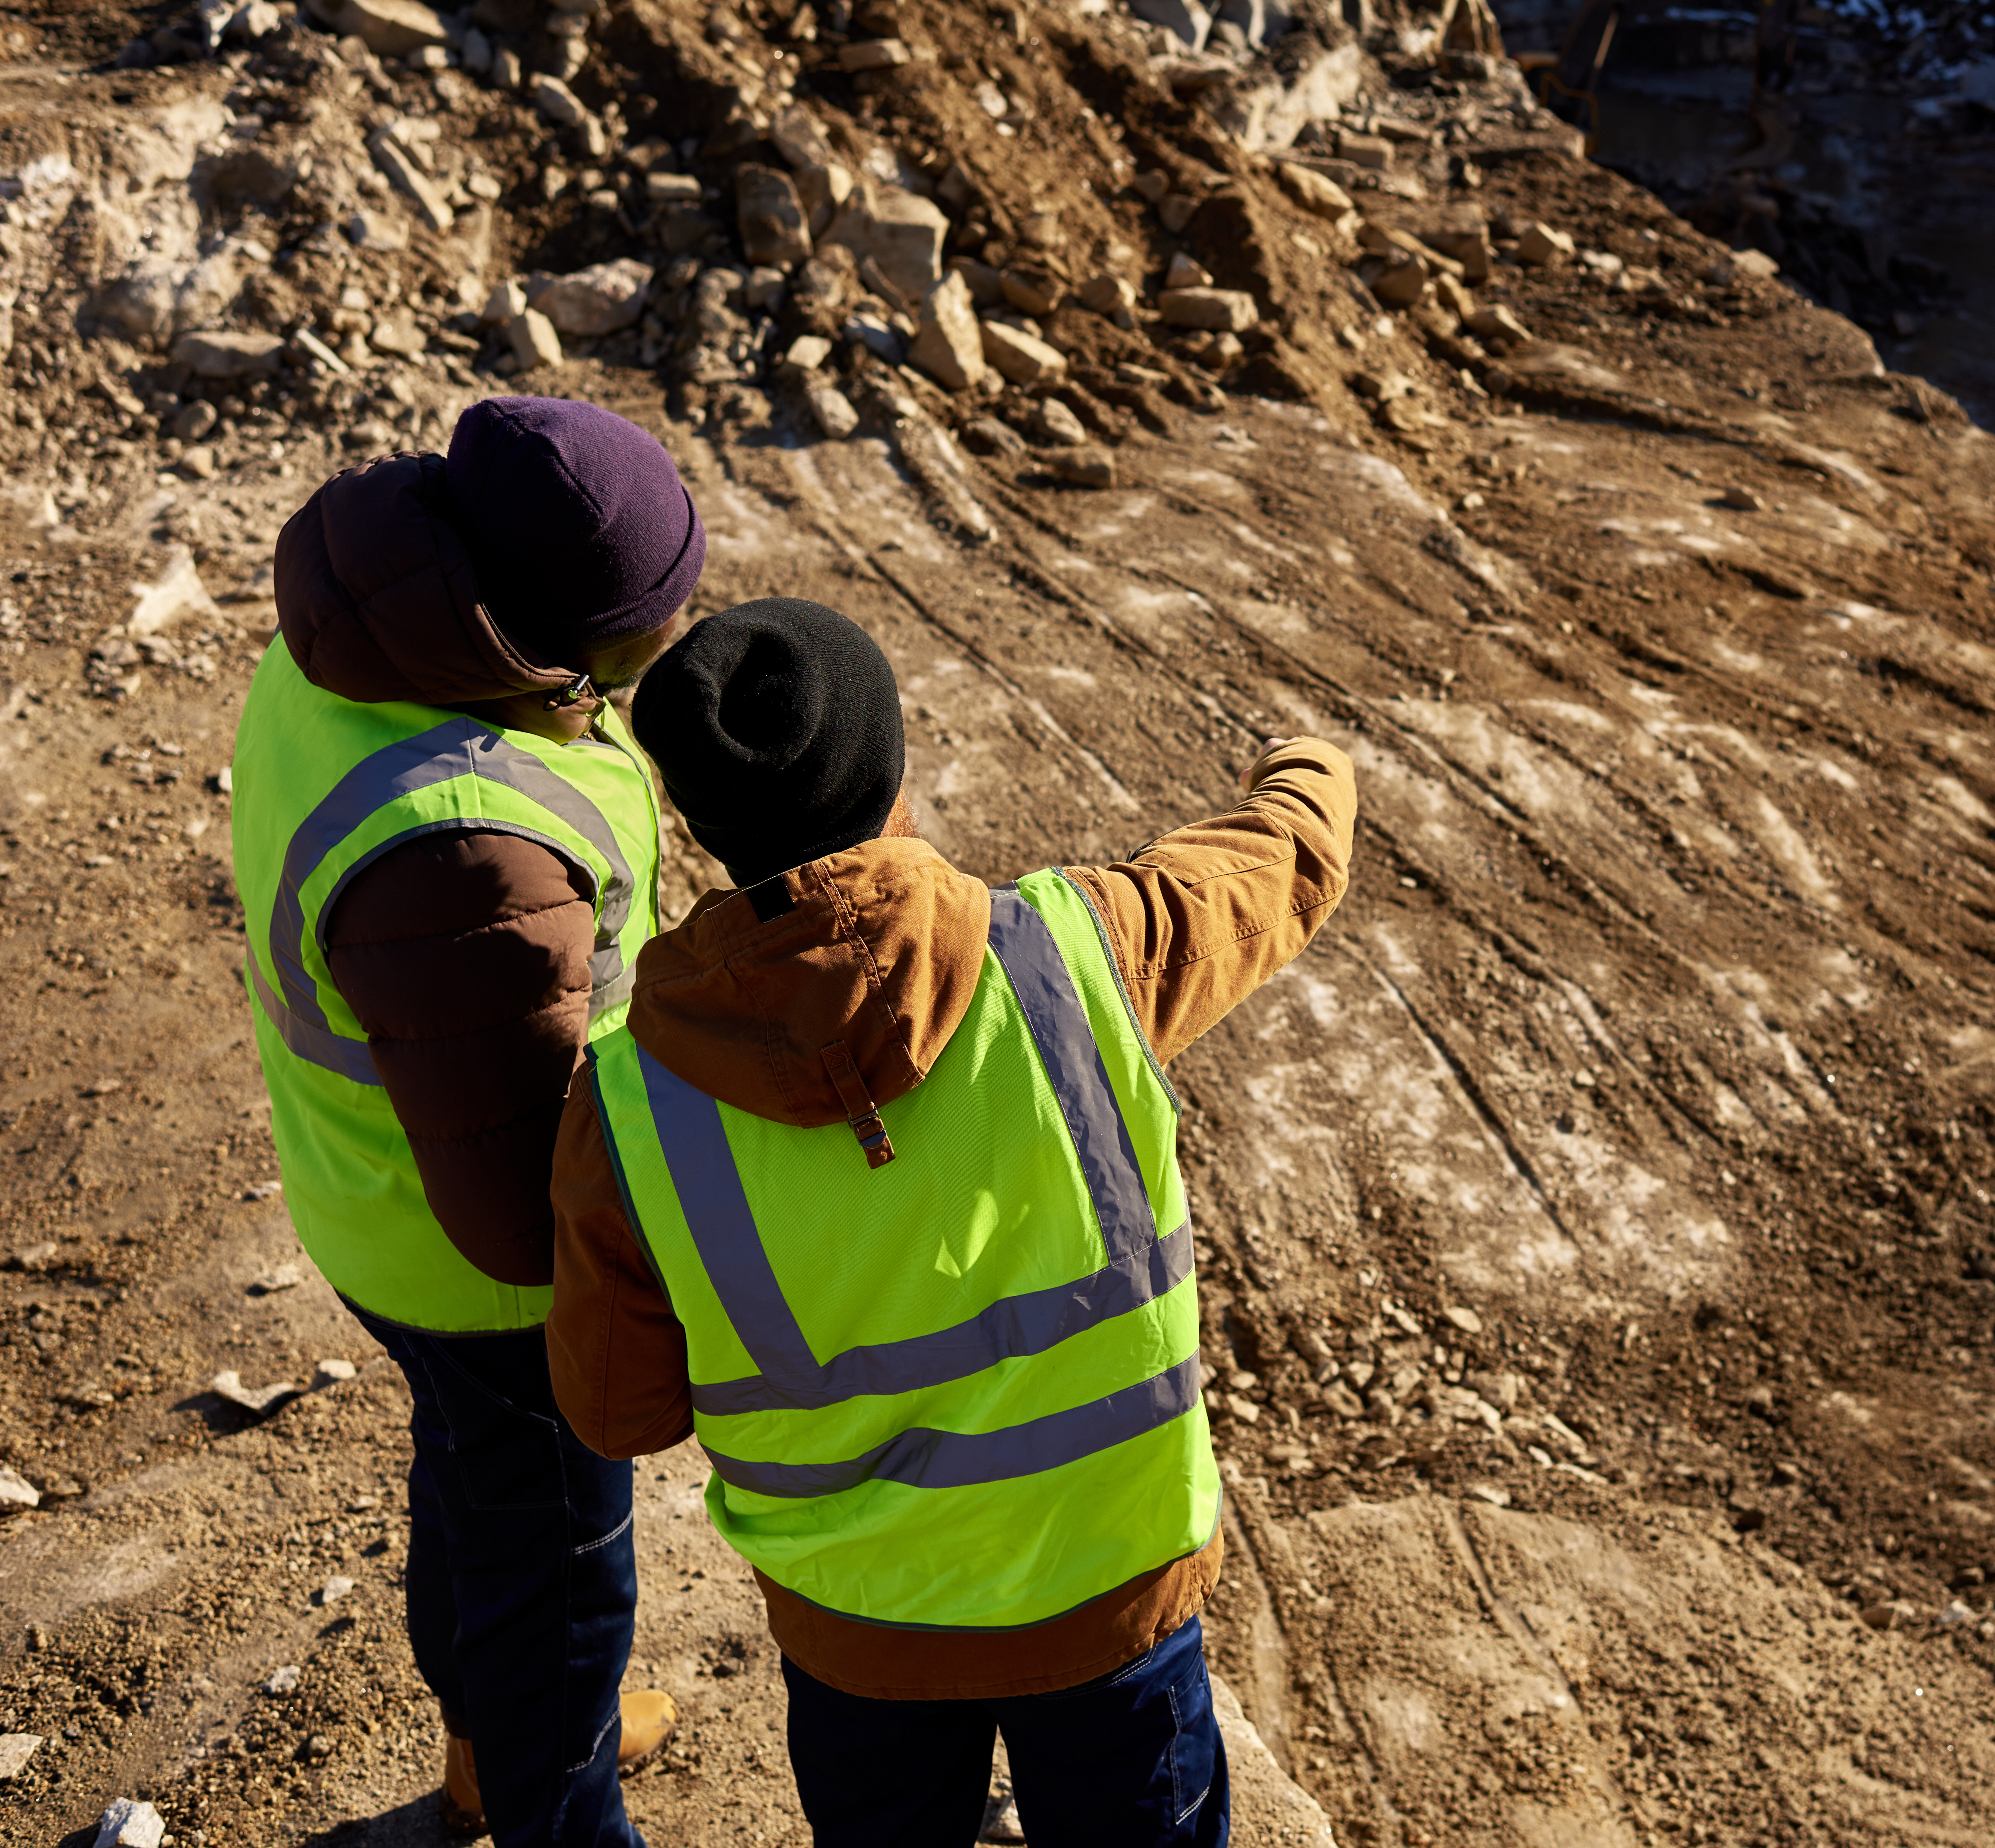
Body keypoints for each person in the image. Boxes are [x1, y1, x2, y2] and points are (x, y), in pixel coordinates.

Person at [546, 599, 1358, 1845]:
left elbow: (619, 1412)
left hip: (860, 1641)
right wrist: (1307, 763)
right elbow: (1277, 866)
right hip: (1112, 1607)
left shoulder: (631, 1105)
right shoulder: (1085, 955)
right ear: (896, 779)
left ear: (702, 831)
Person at [232, 397, 702, 1843]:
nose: (661, 663)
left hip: (377, 1190)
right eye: (640, 644)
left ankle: (498, 1747)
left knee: (478, 1483)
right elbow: (516, 1214)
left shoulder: (374, 631)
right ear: (544, 646)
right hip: (481, 1261)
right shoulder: (464, 852)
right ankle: (553, 1786)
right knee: (558, 1555)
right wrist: (646, 1290)